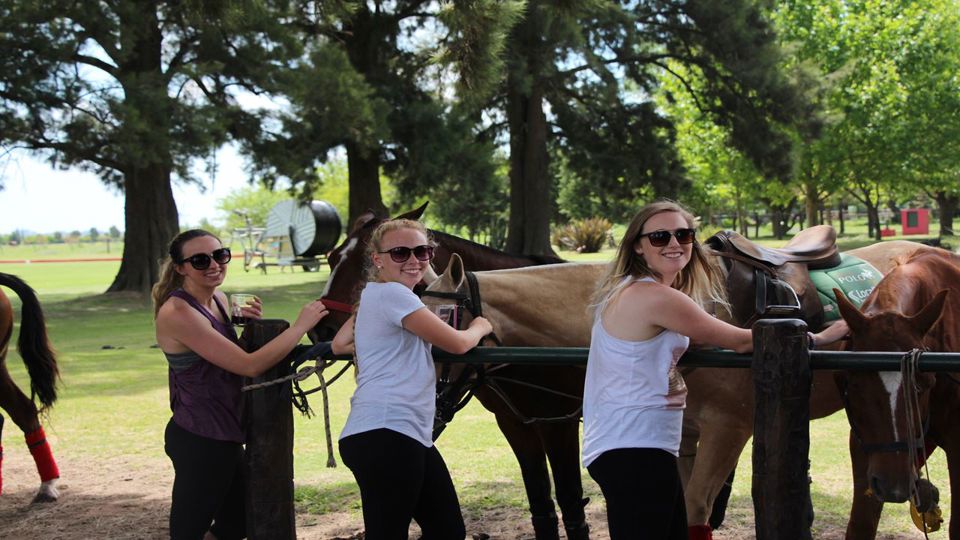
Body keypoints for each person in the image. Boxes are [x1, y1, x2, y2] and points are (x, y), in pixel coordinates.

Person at [581, 201, 847, 540]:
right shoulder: (657, 297)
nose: (675, 244)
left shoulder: (625, 290)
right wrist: (823, 336)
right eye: (660, 237)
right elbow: (742, 341)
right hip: (636, 447)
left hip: (625, 443)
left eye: (684, 234)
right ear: (637, 244)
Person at [152, 229, 328, 540]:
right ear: (180, 267)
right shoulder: (177, 311)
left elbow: (227, 356)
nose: (214, 264)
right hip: (200, 437)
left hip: (224, 432)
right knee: (189, 529)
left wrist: (246, 327)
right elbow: (250, 365)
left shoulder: (218, 300)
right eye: (200, 260)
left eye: (220, 255)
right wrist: (301, 325)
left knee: (236, 523)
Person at [331, 218, 493, 539]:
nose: (414, 260)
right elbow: (458, 343)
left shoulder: (376, 296)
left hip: (398, 433)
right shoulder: (394, 295)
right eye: (400, 253)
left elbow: (338, 345)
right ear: (378, 259)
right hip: (388, 432)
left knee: (447, 530)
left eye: (422, 251)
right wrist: (482, 326)